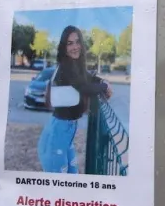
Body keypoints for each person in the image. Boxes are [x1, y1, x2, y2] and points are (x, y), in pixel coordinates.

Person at [37, 25, 113, 174]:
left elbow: (88, 77)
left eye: (77, 42)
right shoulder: (66, 67)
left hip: (67, 132)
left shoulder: (75, 65)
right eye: (69, 43)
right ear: (64, 47)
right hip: (57, 133)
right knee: (60, 186)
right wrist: (104, 87)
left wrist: (102, 81)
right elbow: (83, 86)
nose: (75, 47)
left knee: (73, 175)